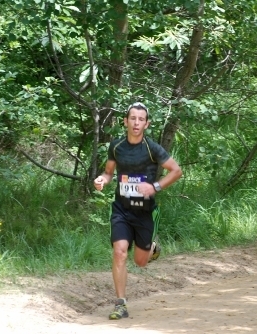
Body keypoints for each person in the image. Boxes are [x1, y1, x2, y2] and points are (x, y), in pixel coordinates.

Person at [94, 102, 182, 319]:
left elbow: (176, 171)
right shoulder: (116, 146)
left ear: (146, 123)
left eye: (141, 119)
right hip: (121, 209)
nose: (136, 123)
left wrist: (154, 187)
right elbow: (108, 173)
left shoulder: (152, 148)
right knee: (119, 252)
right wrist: (102, 180)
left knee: (140, 262)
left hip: (145, 212)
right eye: (132, 118)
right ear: (125, 121)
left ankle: (152, 247)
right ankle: (120, 304)